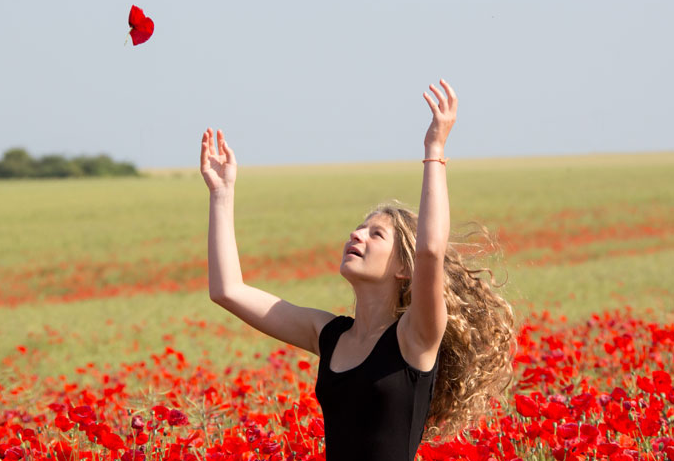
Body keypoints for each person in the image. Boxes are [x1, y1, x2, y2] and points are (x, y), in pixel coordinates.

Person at [200, 80, 514, 461]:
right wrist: (222, 194)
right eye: (359, 228)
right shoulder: (327, 334)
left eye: (375, 234)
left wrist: (435, 150)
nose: (357, 234)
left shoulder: (416, 336)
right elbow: (227, 290)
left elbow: (430, 250)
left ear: (404, 268)